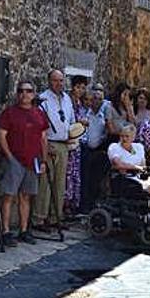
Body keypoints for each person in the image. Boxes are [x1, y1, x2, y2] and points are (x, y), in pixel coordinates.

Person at [0, 82, 49, 247]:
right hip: (15, 160)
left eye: (28, 91)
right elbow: (1, 135)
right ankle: (5, 231)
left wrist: (43, 160)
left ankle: (24, 229)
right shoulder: (10, 113)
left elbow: (43, 138)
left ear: (33, 94)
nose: (24, 94)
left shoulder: (39, 114)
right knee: (9, 196)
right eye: (21, 91)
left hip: (32, 161)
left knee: (26, 196)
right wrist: (9, 157)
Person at [33, 70, 73, 231]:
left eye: (61, 80)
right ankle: (39, 218)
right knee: (45, 183)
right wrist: (45, 145)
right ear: (49, 81)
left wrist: (73, 133)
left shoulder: (67, 99)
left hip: (64, 144)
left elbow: (71, 120)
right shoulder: (43, 100)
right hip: (49, 144)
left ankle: (56, 216)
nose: (59, 84)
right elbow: (38, 126)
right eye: (55, 80)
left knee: (59, 183)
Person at [80, 88, 112, 212]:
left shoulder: (103, 118)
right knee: (85, 180)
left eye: (100, 99)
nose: (97, 101)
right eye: (95, 98)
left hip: (98, 150)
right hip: (85, 150)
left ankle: (93, 206)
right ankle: (83, 207)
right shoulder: (84, 114)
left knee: (96, 181)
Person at [64, 76, 90, 216]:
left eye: (83, 87)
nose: (81, 90)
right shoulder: (68, 101)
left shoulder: (80, 103)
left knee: (75, 175)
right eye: (78, 87)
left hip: (78, 143)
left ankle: (73, 205)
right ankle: (66, 205)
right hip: (70, 141)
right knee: (68, 175)